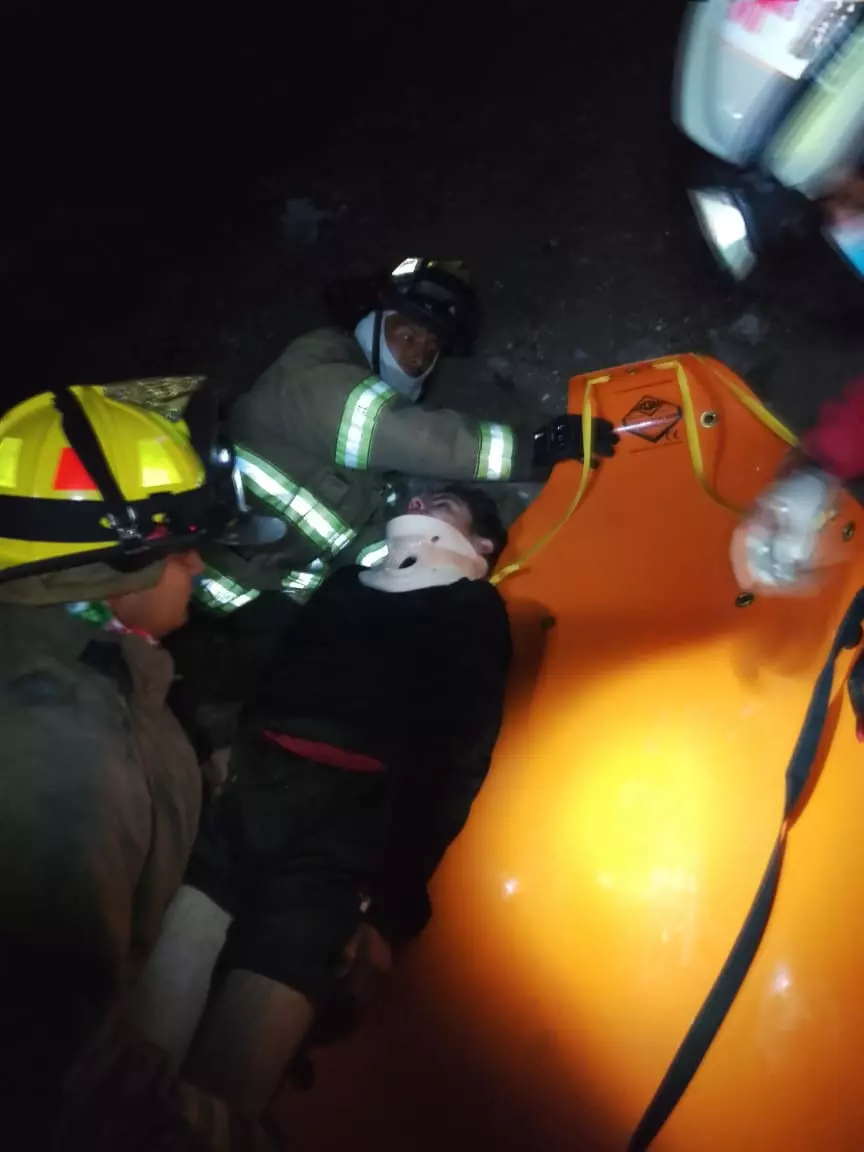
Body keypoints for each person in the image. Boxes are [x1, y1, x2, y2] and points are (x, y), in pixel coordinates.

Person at [131, 483, 514, 1122]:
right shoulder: (344, 585)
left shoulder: (474, 609)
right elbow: (280, 674)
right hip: (259, 783)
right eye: (419, 501)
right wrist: (233, 748)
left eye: (443, 506)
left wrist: (389, 912)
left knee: (259, 1021)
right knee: (157, 1002)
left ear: (481, 545)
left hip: (346, 820)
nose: (420, 507)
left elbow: (456, 760)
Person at [0, 383, 283, 1150]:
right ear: (114, 564)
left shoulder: (75, 651)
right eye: (180, 546)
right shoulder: (62, 753)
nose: (197, 562)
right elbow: (55, 1083)